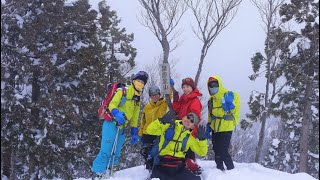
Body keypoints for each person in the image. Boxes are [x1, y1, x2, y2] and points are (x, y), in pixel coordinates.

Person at [92, 71, 149, 177]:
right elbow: (112, 104)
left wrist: (134, 131)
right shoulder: (123, 91)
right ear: (133, 81)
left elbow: (135, 117)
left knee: (116, 151)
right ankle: (98, 173)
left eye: (142, 82)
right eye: (138, 81)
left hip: (122, 127)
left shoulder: (137, 99)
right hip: (111, 123)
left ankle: (111, 171)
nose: (140, 83)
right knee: (106, 150)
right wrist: (116, 113)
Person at [147, 111, 208, 180]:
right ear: (183, 117)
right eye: (188, 117)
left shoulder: (189, 138)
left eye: (192, 121)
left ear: (193, 126)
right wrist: (161, 121)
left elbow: (202, 152)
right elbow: (149, 130)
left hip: (178, 168)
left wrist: (202, 140)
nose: (188, 121)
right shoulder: (168, 127)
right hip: (162, 165)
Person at [205, 75, 240, 171]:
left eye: (215, 84)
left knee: (223, 150)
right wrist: (208, 126)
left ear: (219, 84)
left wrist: (230, 106)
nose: (213, 87)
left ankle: (231, 169)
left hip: (226, 127)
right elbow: (210, 115)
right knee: (216, 150)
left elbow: (236, 111)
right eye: (210, 86)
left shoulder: (230, 95)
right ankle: (219, 168)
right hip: (215, 127)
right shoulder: (210, 100)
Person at [172, 77, 203, 174]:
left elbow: (195, 117)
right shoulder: (184, 99)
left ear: (192, 87)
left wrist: (188, 127)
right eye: (184, 87)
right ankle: (185, 169)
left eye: (188, 86)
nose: (185, 89)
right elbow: (177, 111)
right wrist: (176, 101)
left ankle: (193, 169)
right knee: (183, 151)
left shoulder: (194, 100)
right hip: (181, 129)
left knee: (188, 151)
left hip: (189, 130)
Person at [138, 85, 171, 170]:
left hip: (158, 133)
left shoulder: (163, 104)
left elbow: (169, 95)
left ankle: (157, 170)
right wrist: (140, 133)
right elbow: (143, 121)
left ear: (159, 94)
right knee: (147, 154)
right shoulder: (147, 107)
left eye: (156, 94)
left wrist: (169, 85)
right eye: (152, 95)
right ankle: (149, 170)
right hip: (147, 134)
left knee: (156, 152)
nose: (154, 97)